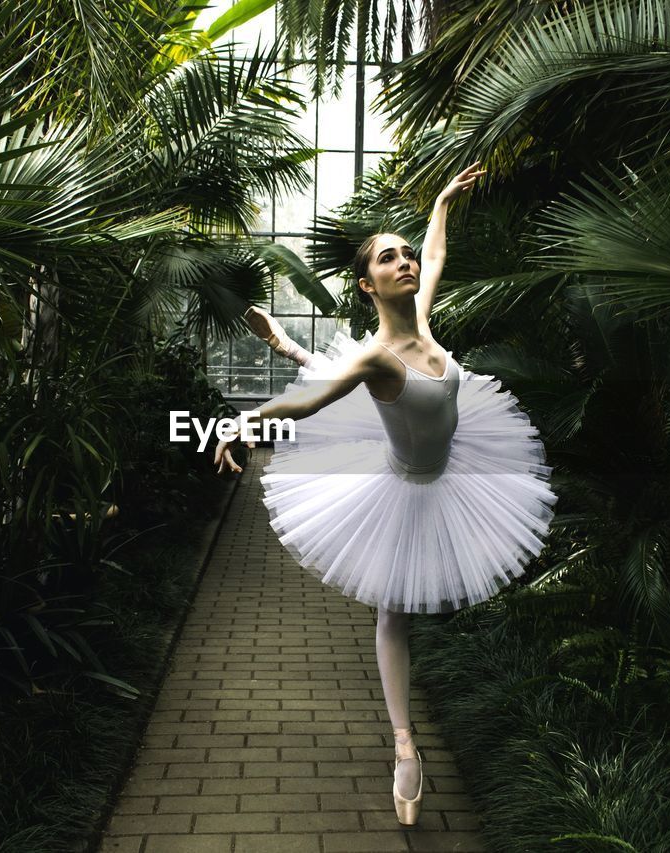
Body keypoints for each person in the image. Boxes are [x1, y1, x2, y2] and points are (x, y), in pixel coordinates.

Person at [215, 162, 558, 826]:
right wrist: (243, 422)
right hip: (403, 485)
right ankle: (405, 743)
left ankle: (288, 342)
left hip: (463, 466)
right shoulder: (375, 358)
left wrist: (441, 203)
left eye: (402, 253)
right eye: (387, 258)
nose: (404, 262)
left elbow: (434, 258)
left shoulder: (424, 318)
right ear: (366, 282)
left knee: (442, 590)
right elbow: (312, 399)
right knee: (394, 610)